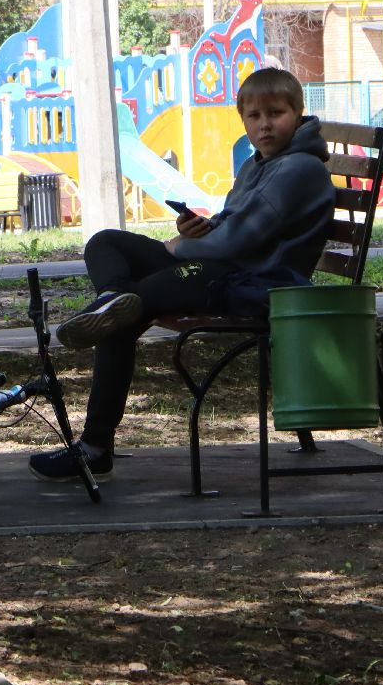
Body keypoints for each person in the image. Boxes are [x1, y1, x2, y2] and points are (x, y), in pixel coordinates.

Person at [29, 67, 336, 482]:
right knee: (106, 244)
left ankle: (95, 446)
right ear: (243, 119)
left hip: (250, 284)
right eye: (254, 116)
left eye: (276, 113)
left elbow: (240, 240)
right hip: (219, 267)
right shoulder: (257, 165)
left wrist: (183, 247)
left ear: (298, 114)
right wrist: (197, 230)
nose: (264, 124)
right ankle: (111, 299)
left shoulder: (299, 169)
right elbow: (232, 225)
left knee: (130, 310)